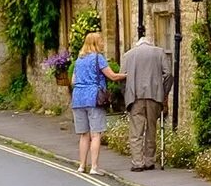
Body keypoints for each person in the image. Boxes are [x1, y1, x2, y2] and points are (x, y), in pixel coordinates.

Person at [122, 25, 174, 169]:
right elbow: (168, 74)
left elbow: (122, 78)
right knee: (151, 128)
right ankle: (149, 160)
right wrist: (164, 93)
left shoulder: (128, 55)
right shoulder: (159, 53)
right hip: (154, 96)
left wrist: (125, 95)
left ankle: (137, 162)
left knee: (136, 132)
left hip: (135, 97)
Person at [69, 29, 121, 174]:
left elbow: (73, 81)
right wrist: (127, 75)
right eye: (101, 41)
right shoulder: (98, 58)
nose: (103, 43)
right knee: (95, 134)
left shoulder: (79, 60)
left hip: (78, 99)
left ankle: (81, 166)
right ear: (96, 43)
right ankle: (94, 167)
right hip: (94, 98)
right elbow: (112, 76)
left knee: (83, 135)